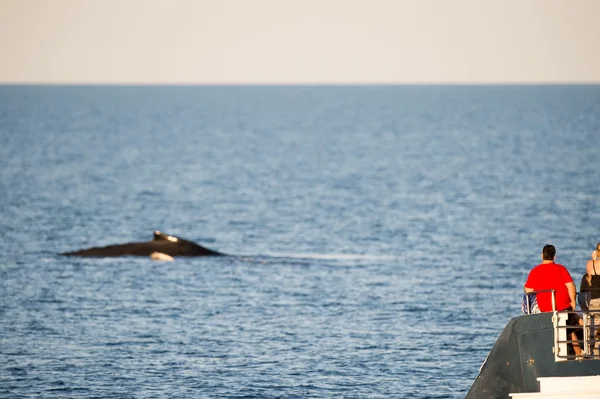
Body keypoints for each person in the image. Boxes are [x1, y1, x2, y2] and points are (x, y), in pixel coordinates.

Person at [524, 244, 582, 356]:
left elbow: (528, 290)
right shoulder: (561, 269)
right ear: (554, 256)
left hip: (545, 307)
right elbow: (571, 286)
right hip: (563, 306)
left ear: (542, 255)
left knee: (569, 324)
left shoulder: (535, 271)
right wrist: (573, 301)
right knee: (570, 329)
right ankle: (579, 354)